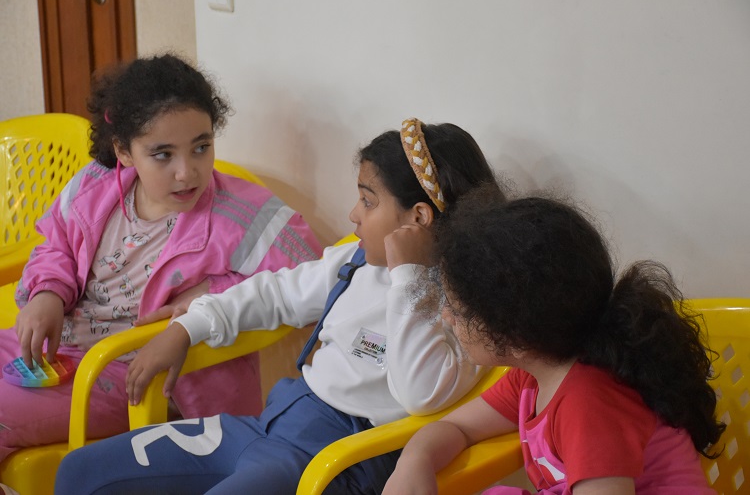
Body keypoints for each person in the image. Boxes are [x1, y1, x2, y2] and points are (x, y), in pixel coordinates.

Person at [54, 118, 502, 494]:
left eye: (368, 201)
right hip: (271, 424)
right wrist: (189, 326)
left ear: (418, 218)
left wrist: (410, 277)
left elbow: (419, 394)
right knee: (80, 472)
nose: (353, 214)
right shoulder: (355, 261)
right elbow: (276, 293)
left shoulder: (466, 310)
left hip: (332, 459)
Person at [0, 53, 322, 465]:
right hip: (56, 345)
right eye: (163, 154)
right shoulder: (94, 184)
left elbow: (312, 275)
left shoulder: (238, 212)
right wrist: (47, 292)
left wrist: (211, 292)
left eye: (201, 147)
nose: (187, 172)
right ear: (124, 151)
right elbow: (55, 245)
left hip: (132, 375)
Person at [382, 186, 725, 495]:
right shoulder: (532, 377)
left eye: (458, 310)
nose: (447, 316)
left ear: (515, 335)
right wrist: (415, 460)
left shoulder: (589, 402)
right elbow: (457, 427)